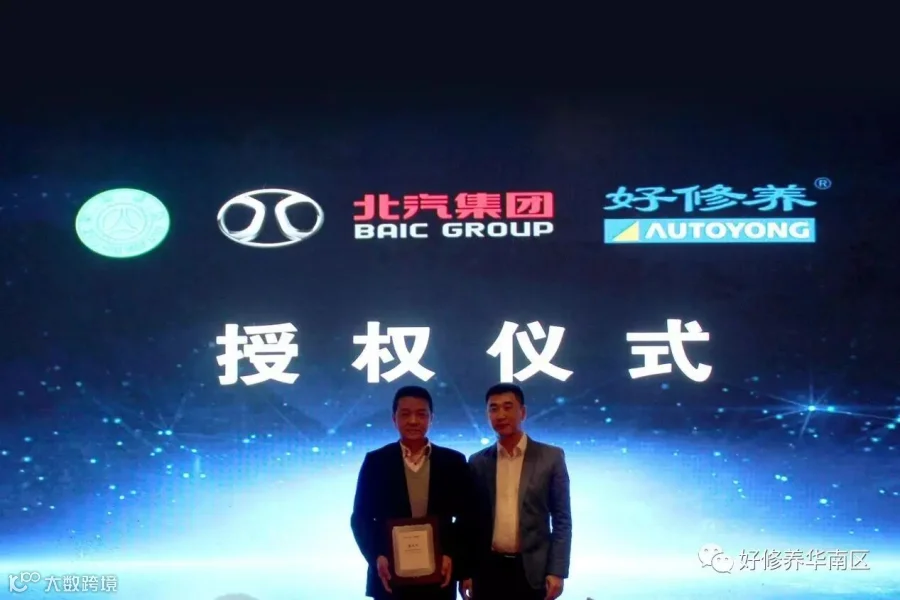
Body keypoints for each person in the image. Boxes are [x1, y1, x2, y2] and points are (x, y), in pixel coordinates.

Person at [351, 385, 472, 600]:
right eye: (405, 414)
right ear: (394, 419)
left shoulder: (453, 461)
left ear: (431, 418)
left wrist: (452, 555)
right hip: (390, 574)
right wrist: (376, 556)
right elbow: (361, 518)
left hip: (438, 575)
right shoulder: (376, 461)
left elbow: (467, 517)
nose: (413, 421)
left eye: (421, 414)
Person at [460, 383, 572, 600]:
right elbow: (469, 523)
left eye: (508, 407)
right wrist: (466, 571)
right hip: (488, 571)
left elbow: (562, 519)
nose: (501, 415)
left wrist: (557, 570)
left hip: (533, 570)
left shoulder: (551, 457)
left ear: (523, 412)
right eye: (493, 409)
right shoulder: (477, 462)